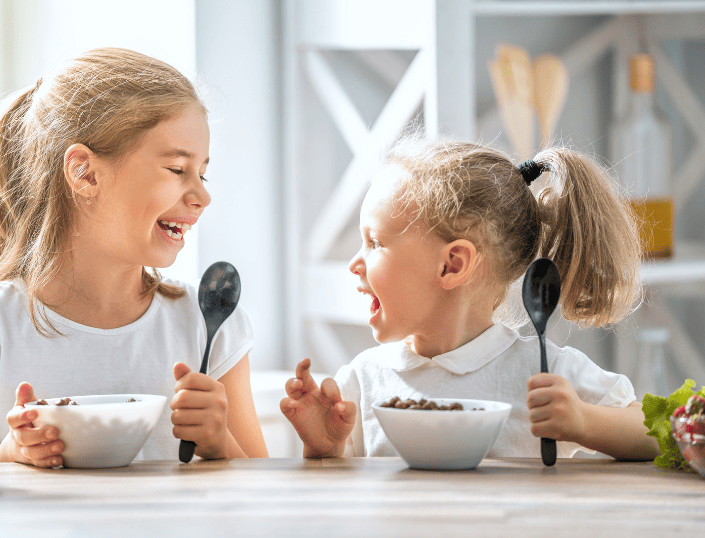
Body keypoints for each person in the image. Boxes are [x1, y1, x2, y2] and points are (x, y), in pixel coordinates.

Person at [0, 48, 268, 466]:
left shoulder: (210, 323)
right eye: (177, 170)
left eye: (202, 172)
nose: (202, 196)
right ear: (85, 174)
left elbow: (261, 491)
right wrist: (10, 455)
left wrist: (222, 446)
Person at [281, 132, 660, 460]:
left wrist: (583, 421)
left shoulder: (544, 372)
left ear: (452, 265)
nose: (354, 263)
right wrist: (325, 450)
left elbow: (657, 434)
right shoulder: (360, 383)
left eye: (375, 243)